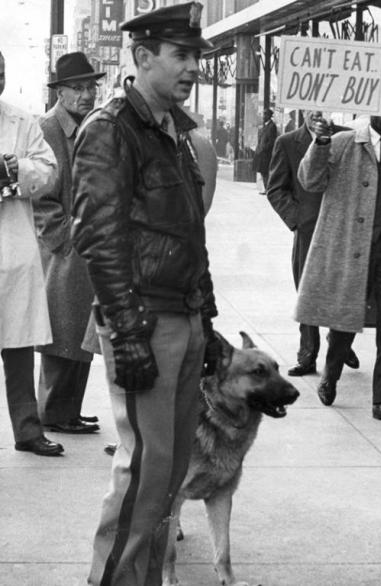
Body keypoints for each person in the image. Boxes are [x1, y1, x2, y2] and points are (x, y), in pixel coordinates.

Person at [70, 3, 220, 583]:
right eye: (181, 57)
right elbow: (99, 239)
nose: (192, 69)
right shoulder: (110, 130)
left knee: (171, 475)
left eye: (195, 58)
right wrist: (126, 332)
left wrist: (204, 314)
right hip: (145, 323)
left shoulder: (174, 132)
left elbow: (189, 233)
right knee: (145, 475)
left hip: (181, 319)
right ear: (142, 57)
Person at [296, 83, 381, 426]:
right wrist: (320, 142)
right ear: (369, 107)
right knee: (345, 320)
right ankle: (331, 374)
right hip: (351, 250)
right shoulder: (342, 143)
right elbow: (310, 181)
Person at [34, 52, 104, 436]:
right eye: (78, 88)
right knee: (62, 333)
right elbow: (40, 199)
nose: (87, 94)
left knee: (81, 333)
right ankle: (54, 412)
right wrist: (64, 240)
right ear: (60, 92)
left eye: (91, 87)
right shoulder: (49, 128)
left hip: (85, 245)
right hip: (65, 247)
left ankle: (68, 411)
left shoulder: (87, 125)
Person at [0, 50, 62, 457]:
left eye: (0, 73)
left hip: (11, 248)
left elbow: (48, 170)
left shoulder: (23, 122)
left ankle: (27, 430)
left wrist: (16, 168)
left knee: (18, 346)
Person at [266, 110, 359, 377]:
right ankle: (307, 354)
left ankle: (340, 343)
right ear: (303, 110)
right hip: (309, 230)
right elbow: (276, 188)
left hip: (343, 228)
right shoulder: (286, 142)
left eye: (322, 110)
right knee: (308, 293)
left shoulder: (347, 137)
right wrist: (297, 219)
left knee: (343, 291)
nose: (318, 116)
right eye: (312, 111)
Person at [255, 108, 278, 192]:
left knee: (265, 172)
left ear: (269, 116)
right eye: (263, 114)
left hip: (266, 154)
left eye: (265, 114)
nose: (263, 116)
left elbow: (272, 141)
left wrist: (264, 149)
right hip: (262, 153)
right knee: (263, 172)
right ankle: (266, 189)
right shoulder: (266, 126)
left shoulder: (272, 126)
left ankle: (268, 189)